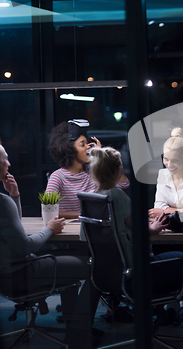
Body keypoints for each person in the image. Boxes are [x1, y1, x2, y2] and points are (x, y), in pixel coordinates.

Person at [89, 146, 183, 349]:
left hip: (107, 277)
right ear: (117, 170)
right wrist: (152, 230)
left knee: (181, 261)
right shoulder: (118, 196)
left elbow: (92, 237)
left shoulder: (93, 197)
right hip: (134, 275)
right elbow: (139, 233)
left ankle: (169, 317)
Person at [0, 143, 100, 349]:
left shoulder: (4, 201)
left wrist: (15, 197)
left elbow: (14, 229)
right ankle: (79, 335)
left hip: (6, 275)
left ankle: (76, 329)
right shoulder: (2, 202)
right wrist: (50, 229)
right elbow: (25, 246)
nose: (9, 163)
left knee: (72, 263)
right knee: (96, 269)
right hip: (21, 273)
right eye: (5, 159)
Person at [46, 119, 129, 219]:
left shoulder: (93, 171)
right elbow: (47, 212)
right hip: (67, 230)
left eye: (87, 143)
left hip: (95, 228)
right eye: (82, 144)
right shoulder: (57, 177)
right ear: (69, 149)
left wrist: (102, 157)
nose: (88, 147)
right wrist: (83, 214)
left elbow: (124, 184)